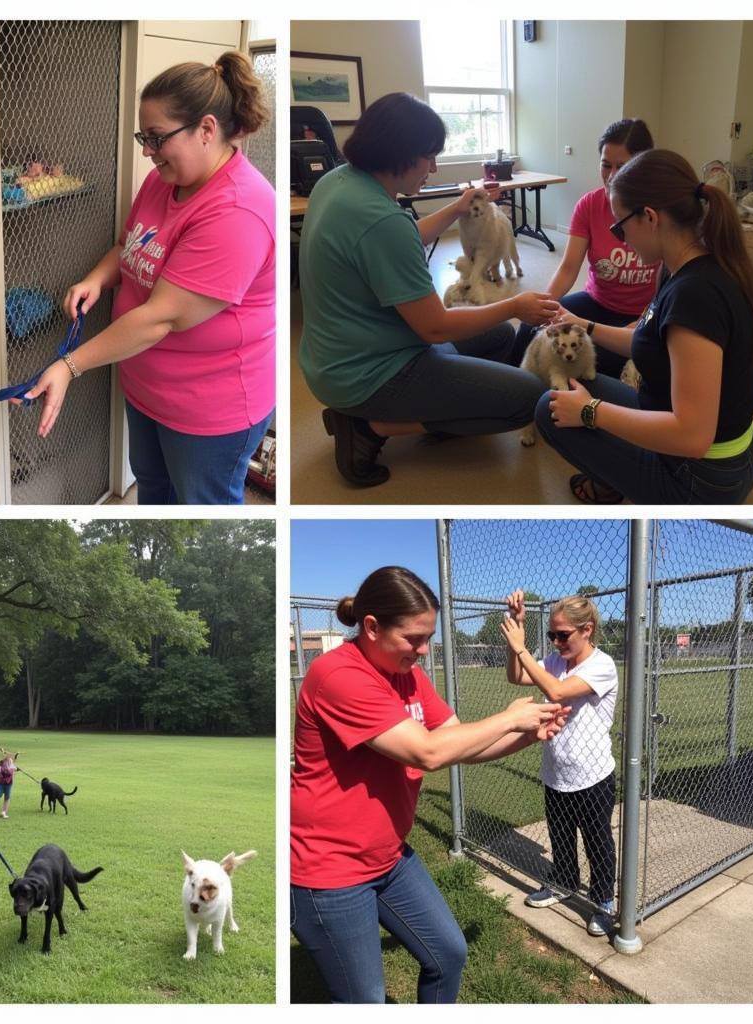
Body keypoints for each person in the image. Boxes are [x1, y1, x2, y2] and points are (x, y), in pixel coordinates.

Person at [290, 567, 571, 1003]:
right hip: (329, 871)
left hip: (387, 856)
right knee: (365, 1000)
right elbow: (429, 752)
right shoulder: (338, 675)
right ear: (371, 628)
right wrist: (510, 717)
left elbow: (455, 742)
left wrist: (525, 736)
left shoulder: (408, 675)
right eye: (414, 639)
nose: (423, 650)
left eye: (428, 638)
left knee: (447, 953)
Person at [20, 51, 275, 505]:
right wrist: (97, 279)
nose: (146, 151)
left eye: (156, 138)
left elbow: (161, 319)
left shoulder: (237, 210)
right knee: (154, 492)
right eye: (145, 136)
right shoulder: (165, 179)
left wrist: (68, 364)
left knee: (200, 507)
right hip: (148, 389)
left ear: (207, 130)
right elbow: (130, 245)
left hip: (209, 408)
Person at [297, 92, 560, 487]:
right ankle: (372, 426)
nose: (433, 168)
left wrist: (456, 208)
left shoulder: (338, 183)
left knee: (498, 338)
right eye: (430, 157)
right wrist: (514, 305)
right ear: (401, 154)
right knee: (528, 399)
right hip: (370, 372)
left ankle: (430, 408)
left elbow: (397, 241)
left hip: (335, 358)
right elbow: (434, 328)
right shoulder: (381, 220)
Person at [536, 148, 753, 504]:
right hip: (724, 449)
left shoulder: (695, 295)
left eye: (620, 226)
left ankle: (615, 483)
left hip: (706, 477)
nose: (619, 237)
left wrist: (590, 412)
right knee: (575, 385)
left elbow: (692, 436)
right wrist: (584, 325)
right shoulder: (683, 264)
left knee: (550, 410)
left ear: (649, 217)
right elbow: (646, 342)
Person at [500, 591, 618, 937]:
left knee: (598, 841)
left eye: (562, 634)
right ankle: (564, 881)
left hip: (593, 774)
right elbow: (515, 676)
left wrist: (523, 647)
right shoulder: (555, 661)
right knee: (561, 837)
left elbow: (558, 692)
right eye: (552, 634)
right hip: (556, 771)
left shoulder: (602, 665)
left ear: (587, 629)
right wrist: (517, 633)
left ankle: (602, 901)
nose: (556, 641)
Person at [509, 118, 659, 378]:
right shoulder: (589, 205)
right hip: (597, 301)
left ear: (642, 167)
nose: (612, 175)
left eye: (622, 166)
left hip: (641, 313)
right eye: (606, 165)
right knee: (529, 328)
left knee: (597, 363)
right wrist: (545, 305)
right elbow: (568, 268)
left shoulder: (659, 212)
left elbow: (668, 290)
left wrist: (641, 322)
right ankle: (510, 387)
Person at [0, 750, 20, 818]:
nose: (8, 757)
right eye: (6, 755)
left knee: (7, 797)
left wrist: (17, 769)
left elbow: (13, 765)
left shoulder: (10, 761)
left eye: (8, 755)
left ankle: (3, 813)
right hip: (1, 784)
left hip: (9, 783)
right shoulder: (1, 762)